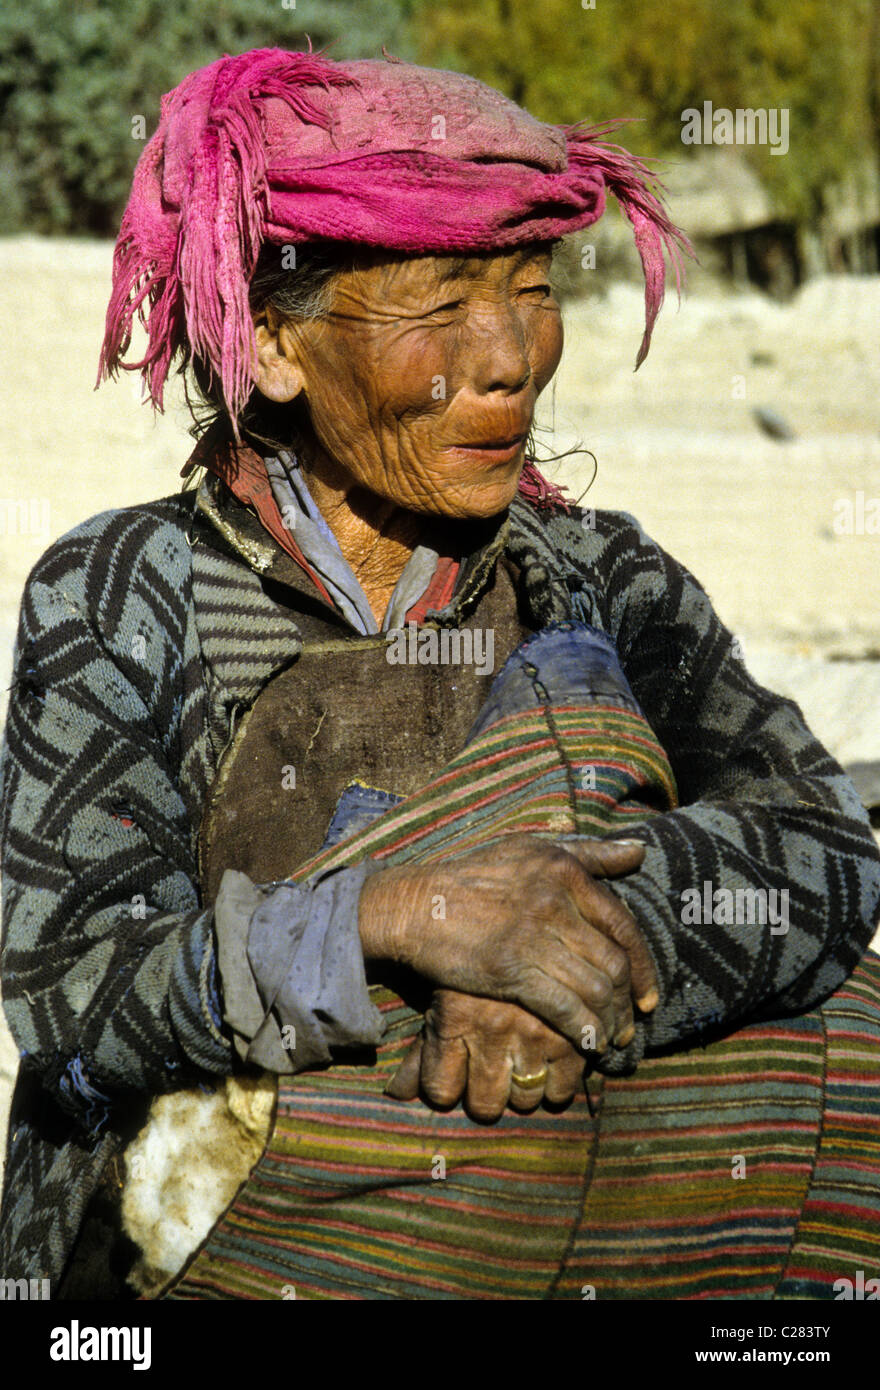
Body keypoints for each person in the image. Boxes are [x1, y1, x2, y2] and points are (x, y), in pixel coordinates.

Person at [1, 47, 878, 1300]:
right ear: (274, 350)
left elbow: (821, 838)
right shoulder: (120, 592)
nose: (511, 354)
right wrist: (402, 922)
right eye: (440, 305)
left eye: (529, 288)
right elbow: (74, 989)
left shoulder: (592, 572)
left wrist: (575, 950)